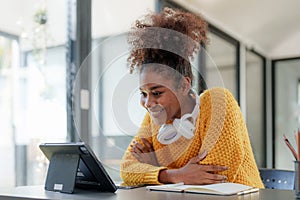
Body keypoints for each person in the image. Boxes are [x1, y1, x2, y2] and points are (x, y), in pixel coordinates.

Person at [120, 7, 264, 188]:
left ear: (183, 85)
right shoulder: (154, 117)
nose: (148, 103)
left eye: (157, 93)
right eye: (143, 94)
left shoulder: (217, 102)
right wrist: (173, 174)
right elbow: (127, 169)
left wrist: (154, 166)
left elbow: (216, 176)